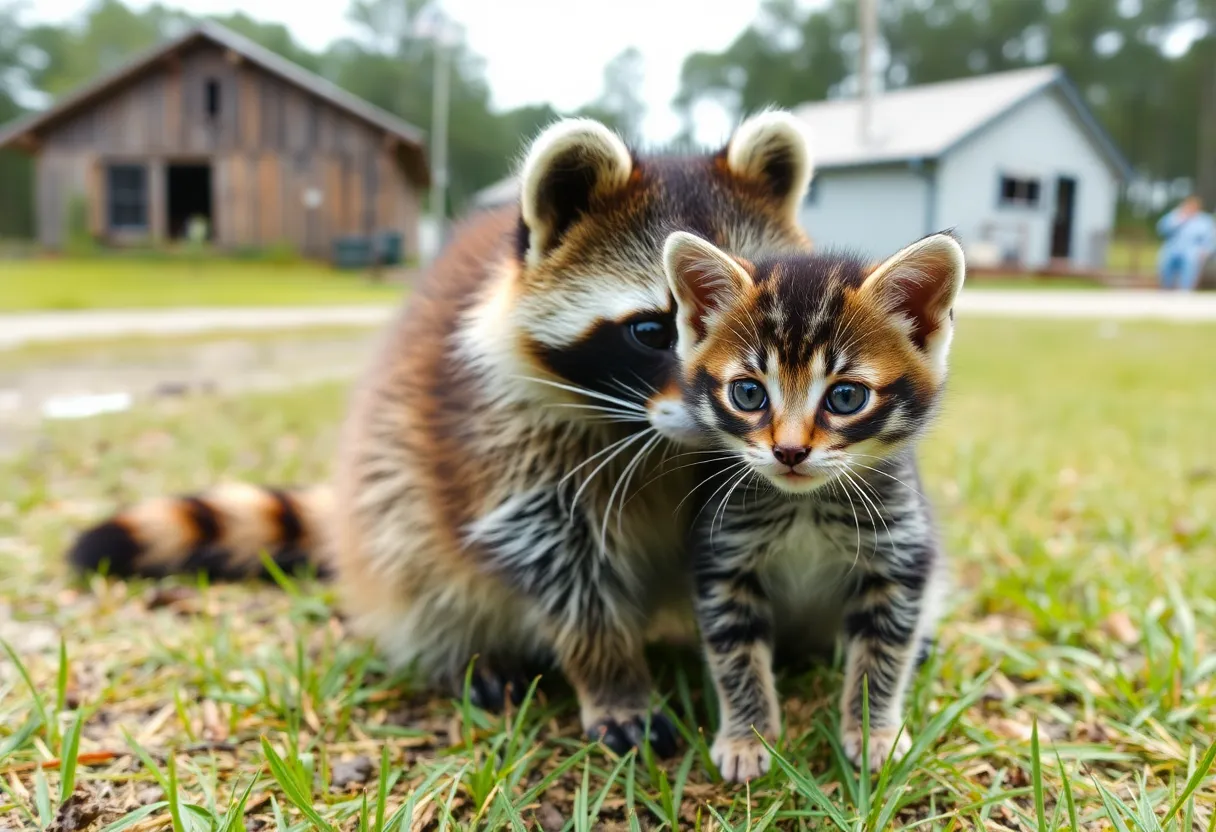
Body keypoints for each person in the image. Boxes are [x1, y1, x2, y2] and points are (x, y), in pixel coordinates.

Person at [1156, 195, 1216, 291]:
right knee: (1165, 260)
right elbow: (1161, 230)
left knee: (1190, 260)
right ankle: (1165, 290)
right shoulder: (1175, 216)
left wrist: (1206, 251)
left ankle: (1185, 292)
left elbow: (1211, 240)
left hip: (1193, 249)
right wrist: (1178, 220)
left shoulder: (1205, 220)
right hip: (1172, 247)